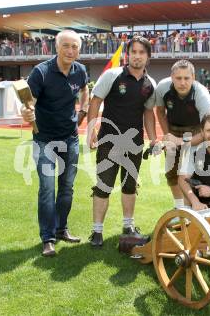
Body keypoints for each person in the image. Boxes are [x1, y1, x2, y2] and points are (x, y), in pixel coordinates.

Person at [21, 30, 89, 256]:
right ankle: (47, 238)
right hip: (45, 141)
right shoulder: (41, 72)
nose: (71, 51)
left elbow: (84, 89)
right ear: (56, 47)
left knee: (67, 188)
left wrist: (84, 110)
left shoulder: (80, 70)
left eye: (75, 47)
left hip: (70, 138)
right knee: (48, 189)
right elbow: (28, 103)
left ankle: (62, 229)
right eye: (66, 46)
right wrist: (26, 113)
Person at [87, 36, 158, 247]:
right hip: (109, 141)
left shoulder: (150, 84)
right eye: (133, 52)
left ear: (148, 56)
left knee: (129, 186)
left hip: (134, 143)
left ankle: (128, 225)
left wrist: (153, 139)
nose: (137, 56)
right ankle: (97, 232)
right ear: (128, 54)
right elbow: (95, 101)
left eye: (141, 52)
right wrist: (91, 130)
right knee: (103, 186)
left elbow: (148, 113)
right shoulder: (112, 75)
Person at [155, 59, 210, 210]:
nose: (182, 82)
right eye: (178, 78)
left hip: (196, 131)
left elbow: (208, 130)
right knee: (171, 172)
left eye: (186, 78)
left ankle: (195, 206)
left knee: (189, 173)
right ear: (171, 77)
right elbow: (160, 111)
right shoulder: (163, 87)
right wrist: (168, 135)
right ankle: (179, 207)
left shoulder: (201, 94)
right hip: (173, 128)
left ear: (193, 78)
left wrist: (180, 141)